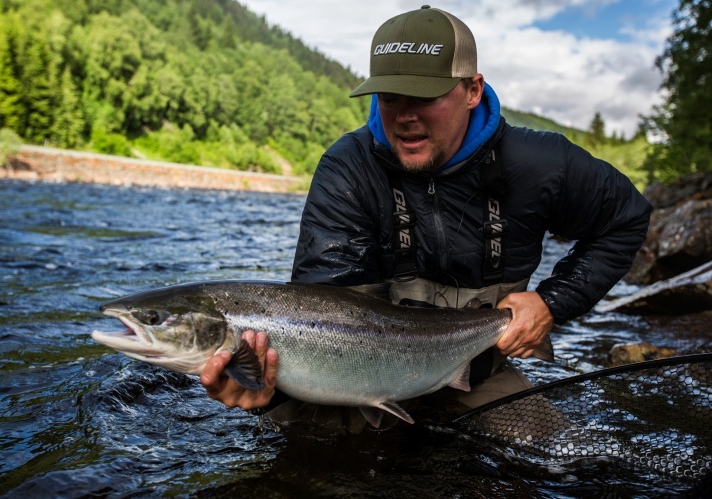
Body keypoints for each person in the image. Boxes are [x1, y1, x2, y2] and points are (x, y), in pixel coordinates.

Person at [200, 5, 652, 431]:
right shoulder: (349, 168)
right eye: (390, 98)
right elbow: (319, 311)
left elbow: (626, 219)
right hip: (352, 377)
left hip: (475, 372)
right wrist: (264, 385)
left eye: (425, 96)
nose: (405, 117)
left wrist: (553, 302)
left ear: (473, 90)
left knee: (564, 460)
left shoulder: (540, 164)